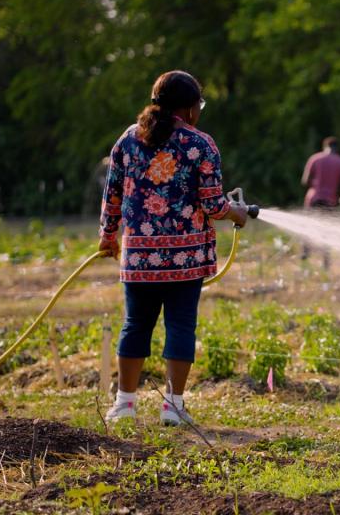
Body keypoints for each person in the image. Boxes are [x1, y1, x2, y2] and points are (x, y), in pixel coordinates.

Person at [98, 70, 248, 426]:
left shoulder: (128, 141)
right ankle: (174, 407)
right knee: (181, 327)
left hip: (139, 256)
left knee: (135, 325)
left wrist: (108, 235)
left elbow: (112, 194)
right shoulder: (200, 144)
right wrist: (237, 213)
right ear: (190, 108)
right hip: (186, 258)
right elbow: (213, 205)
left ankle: (124, 405)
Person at [300, 136, 340, 269]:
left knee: (308, 224)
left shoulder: (315, 158)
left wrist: (316, 186)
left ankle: (305, 250)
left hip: (313, 198)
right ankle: (326, 261)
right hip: (330, 200)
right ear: (337, 148)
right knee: (327, 229)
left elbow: (305, 181)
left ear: (324, 146)